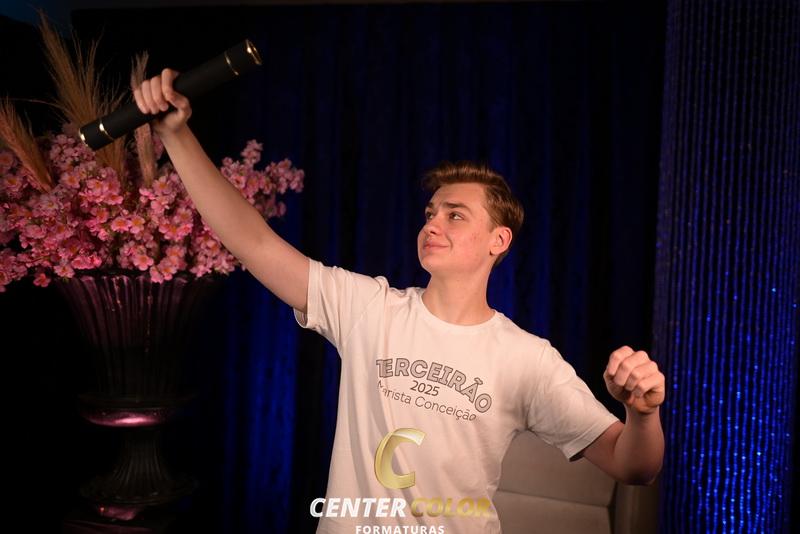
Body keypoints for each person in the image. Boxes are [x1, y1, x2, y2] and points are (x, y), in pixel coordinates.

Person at [133, 68, 665, 534]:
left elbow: (633, 466)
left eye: (455, 215)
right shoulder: (369, 309)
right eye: (430, 213)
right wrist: (176, 136)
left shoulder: (527, 358)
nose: (433, 223)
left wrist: (642, 413)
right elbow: (253, 243)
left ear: (498, 241)